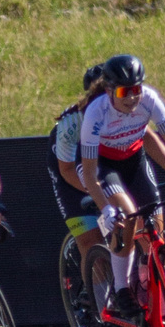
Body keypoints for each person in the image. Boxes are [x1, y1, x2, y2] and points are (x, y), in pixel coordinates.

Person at [78, 53, 165, 325]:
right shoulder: (96, 113)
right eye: (124, 91)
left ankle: (149, 281)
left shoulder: (149, 100)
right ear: (109, 91)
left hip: (133, 159)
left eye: (137, 89)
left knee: (156, 223)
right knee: (129, 215)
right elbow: (92, 173)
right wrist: (106, 208)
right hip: (102, 167)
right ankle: (120, 288)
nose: (132, 97)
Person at [50, 62, 108, 305]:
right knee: (91, 239)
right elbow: (67, 171)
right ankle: (99, 303)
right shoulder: (72, 123)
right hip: (69, 171)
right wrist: (96, 194)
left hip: (102, 164)